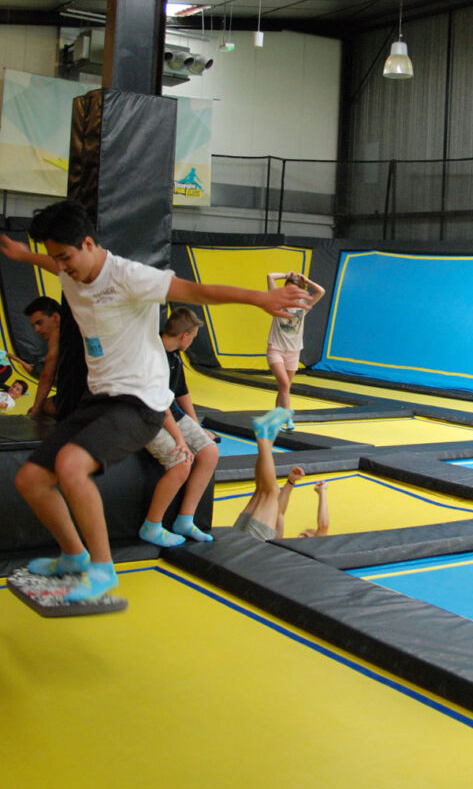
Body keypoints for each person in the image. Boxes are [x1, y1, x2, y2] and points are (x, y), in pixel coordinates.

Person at [0, 199, 309, 603]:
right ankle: (74, 556)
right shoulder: (66, 265)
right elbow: (51, 263)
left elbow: (197, 290)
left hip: (141, 403)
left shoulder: (130, 277)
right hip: (100, 397)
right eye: (55, 257)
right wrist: (25, 255)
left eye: (66, 257)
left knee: (71, 467)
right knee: (30, 479)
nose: (61, 265)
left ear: (89, 243)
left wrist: (258, 299)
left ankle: (102, 569)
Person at [140, 307, 219, 547]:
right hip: (146, 416)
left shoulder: (174, 356)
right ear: (185, 335)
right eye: (193, 336)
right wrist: (180, 439)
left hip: (169, 413)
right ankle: (151, 525)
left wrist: (196, 427)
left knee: (209, 452)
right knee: (182, 461)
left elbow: (181, 393)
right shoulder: (153, 356)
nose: (193, 341)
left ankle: (185, 519)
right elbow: (158, 407)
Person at [233, 407, 330, 541]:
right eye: (303, 533)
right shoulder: (282, 545)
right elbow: (279, 513)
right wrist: (290, 482)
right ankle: (268, 441)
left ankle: (264, 439)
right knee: (261, 491)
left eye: (305, 536)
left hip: (251, 548)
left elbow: (323, 527)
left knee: (271, 491)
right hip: (237, 539)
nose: (301, 535)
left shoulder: (295, 555)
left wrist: (322, 493)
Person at [266, 270, 326, 431]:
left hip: (293, 351)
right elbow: (270, 276)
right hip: (276, 349)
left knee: (284, 388)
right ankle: (288, 418)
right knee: (284, 383)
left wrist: (306, 279)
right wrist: (287, 275)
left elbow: (321, 291)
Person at [23, 296, 61, 417]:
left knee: (41, 408)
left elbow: (47, 376)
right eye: (34, 325)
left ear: (56, 318)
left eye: (39, 323)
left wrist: (35, 410)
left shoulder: (57, 333)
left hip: (87, 399)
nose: (36, 329)